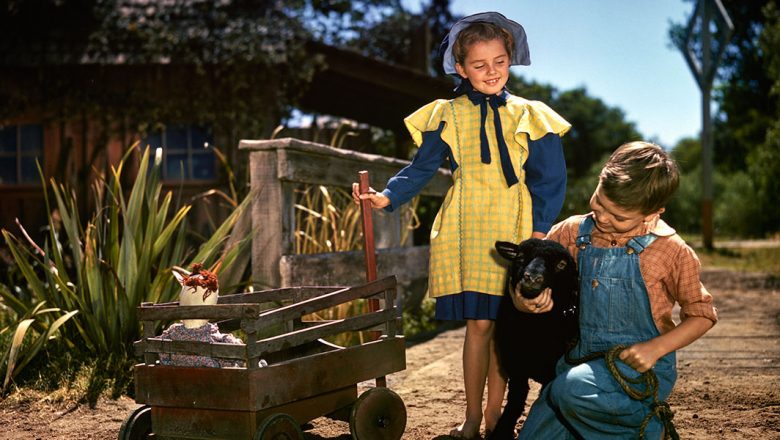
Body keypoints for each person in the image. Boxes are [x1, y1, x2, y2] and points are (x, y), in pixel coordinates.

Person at [352, 11, 570, 439]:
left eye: (500, 61)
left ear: (511, 60)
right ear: (460, 67)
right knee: (479, 325)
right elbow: (420, 168)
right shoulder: (445, 114)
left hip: (516, 226)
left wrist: (539, 234)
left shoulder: (531, 114)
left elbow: (550, 179)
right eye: (479, 64)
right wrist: (387, 196)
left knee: (505, 327)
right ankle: (472, 419)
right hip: (466, 226)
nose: (492, 72)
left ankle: (495, 418)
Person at [514, 141, 718, 439]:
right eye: (598, 204)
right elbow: (529, 272)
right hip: (576, 363)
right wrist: (522, 300)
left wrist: (656, 348)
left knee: (570, 390)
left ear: (653, 213)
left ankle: (649, 429)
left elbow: (702, 314)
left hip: (639, 371)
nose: (603, 219)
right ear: (599, 181)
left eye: (619, 217)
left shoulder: (671, 251)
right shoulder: (571, 232)